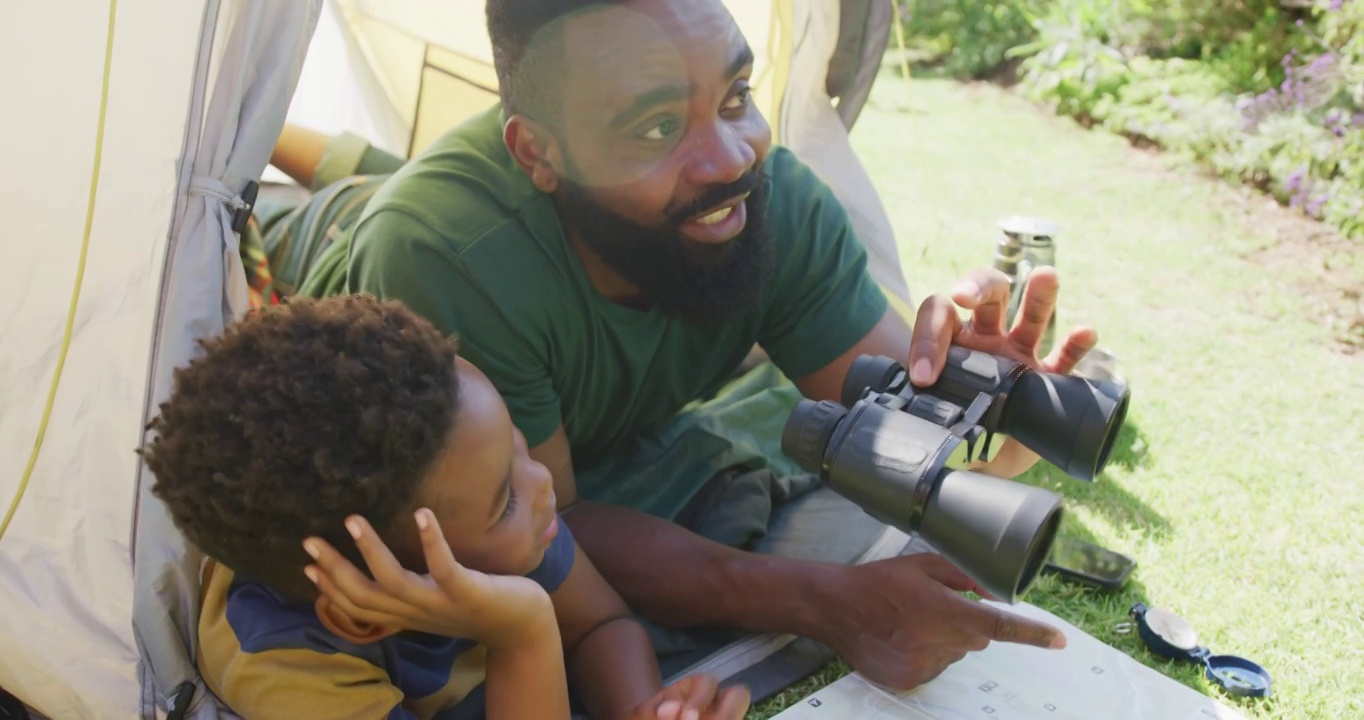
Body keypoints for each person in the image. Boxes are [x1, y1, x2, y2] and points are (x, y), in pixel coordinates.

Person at [292, 0, 1101, 692]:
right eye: (655, 127)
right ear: (539, 153)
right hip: (326, 239)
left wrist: (987, 405)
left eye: (737, 95)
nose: (731, 158)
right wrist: (820, 601)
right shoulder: (449, 260)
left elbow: (898, 433)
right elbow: (546, 525)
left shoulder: (774, 200)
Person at [140, 295, 750, 719]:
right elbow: (554, 624)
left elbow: (601, 624)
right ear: (364, 612)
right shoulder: (287, 667)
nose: (542, 485)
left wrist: (641, 708)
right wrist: (523, 628)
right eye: (507, 498)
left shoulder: (480, 490)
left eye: (518, 450)